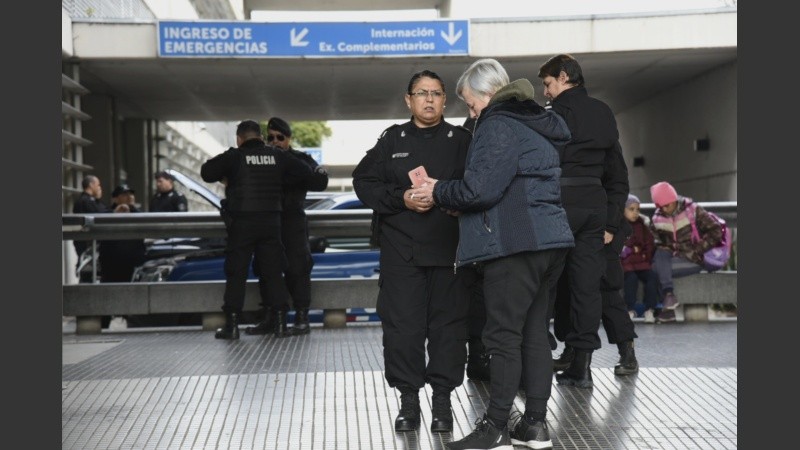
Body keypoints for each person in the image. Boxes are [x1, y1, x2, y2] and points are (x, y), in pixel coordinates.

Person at [414, 58, 574, 450]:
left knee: (502, 337)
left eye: (471, 105)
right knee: (535, 332)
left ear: (489, 95)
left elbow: (480, 190)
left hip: (514, 244)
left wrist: (437, 191)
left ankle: (497, 426)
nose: (471, 114)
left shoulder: (498, 123)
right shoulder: (535, 122)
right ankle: (534, 425)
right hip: (549, 242)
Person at [351, 69, 473, 434]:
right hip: (401, 253)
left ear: (444, 100)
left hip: (449, 251)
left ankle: (442, 401)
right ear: (409, 100)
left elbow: (478, 186)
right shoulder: (392, 139)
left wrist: (451, 199)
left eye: (436, 93)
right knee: (402, 329)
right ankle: (408, 400)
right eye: (422, 93)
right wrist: (401, 198)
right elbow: (363, 181)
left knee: (448, 331)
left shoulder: (461, 139)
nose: (430, 99)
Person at [538, 54, 620, 389]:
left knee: (544, 283)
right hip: (594, 206)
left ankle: (540, 360)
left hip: (560, 202)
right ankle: (582, 368)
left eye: (547, 84)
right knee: (587, 288)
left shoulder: (553, 115)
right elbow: (614, 168)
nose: (546, 92)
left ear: (562, 77)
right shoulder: (603, 112)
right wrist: (612, 221)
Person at [200, 119, 316, 340]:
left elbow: (207, 172)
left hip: (242, 223)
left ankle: (231, 326)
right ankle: (281, 324)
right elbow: (305, 173)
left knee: (236, 274)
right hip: (272, 224)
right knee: (274, 273)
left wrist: (229, 175)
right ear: (261, 138)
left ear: (239, 139)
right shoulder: (278, 156)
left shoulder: (234, 156)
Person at [245, 117, 329, 337]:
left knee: (298, 269)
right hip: (266, 221)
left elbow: (319, 182)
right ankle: (271, 317)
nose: (275, 142)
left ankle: (302, 318)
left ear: (289, 139)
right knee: (266, 270)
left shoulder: (299, 159)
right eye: (270, 137)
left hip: (292, 221)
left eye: (280, 138)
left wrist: (290, 162)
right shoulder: (260, 159)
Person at [649, 181, 724, 323]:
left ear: (674, 200)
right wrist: (664, 246)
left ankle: (667, 308)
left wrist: (697, 249)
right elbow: (656, 241)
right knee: (659, 257)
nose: (665, 209)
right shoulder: (656, 218)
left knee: (658, 269)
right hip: (674, 257)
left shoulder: (693, 211)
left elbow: (716, 231)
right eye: (661, 206)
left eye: (668, 205)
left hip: (695, 258)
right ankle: (669, 296)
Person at [621, 194, 659, 323]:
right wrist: (633, 249)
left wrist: (645, 255)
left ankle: (650, 310)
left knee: (652, 277)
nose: (635, 213)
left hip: (642, 263)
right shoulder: (620, 225)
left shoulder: (642, 225)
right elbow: (623, 246)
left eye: (637, 210)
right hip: (626, 264)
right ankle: (630, 309)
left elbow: (649, 243)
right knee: (631, 279)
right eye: (631, 209)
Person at [72, 175, 110, 282]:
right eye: (98, 185)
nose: (99, 188)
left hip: (86, 243)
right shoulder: (86, 201)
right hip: (88, 244)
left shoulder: (85, 200)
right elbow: (101, 215)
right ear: (91, 185)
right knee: (88, 271)